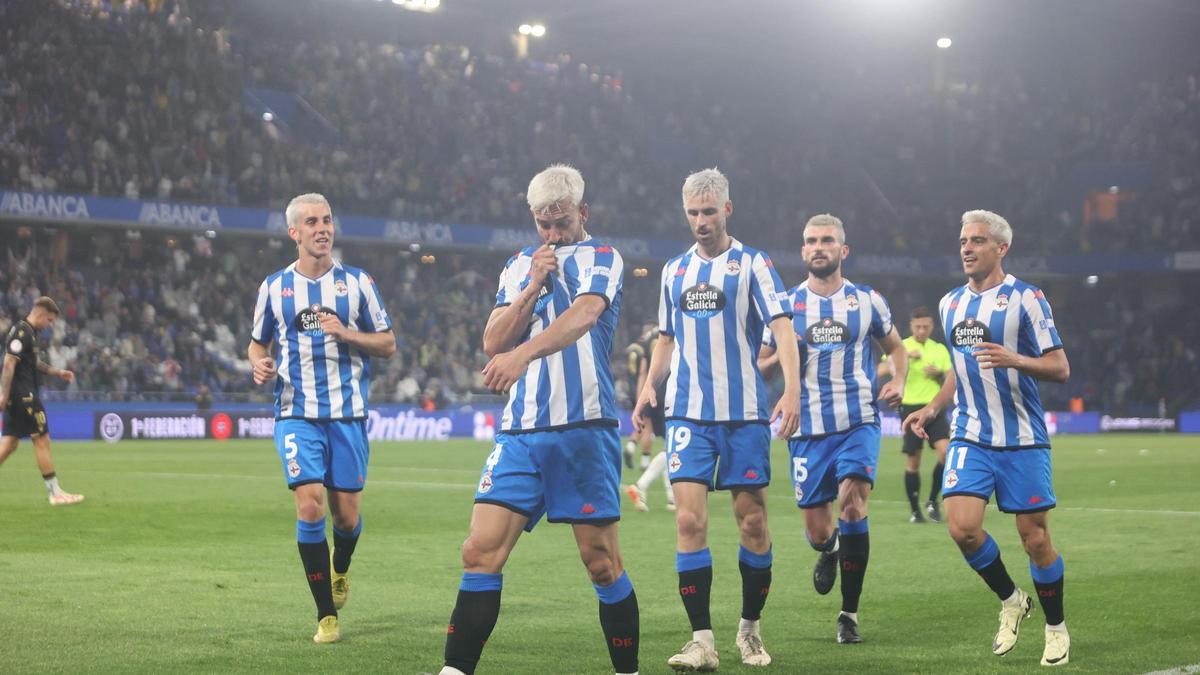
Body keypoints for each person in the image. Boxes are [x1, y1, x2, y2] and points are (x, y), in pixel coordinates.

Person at [439, 165, 639, 675]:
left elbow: (586, 314)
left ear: (582, 213)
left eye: (562, 223)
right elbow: (492, 341)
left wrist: (523, 355)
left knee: (601, 563)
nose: (552, 234)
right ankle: (455, 671)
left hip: (583, 430)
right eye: (543, 225)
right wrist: (531, 286)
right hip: (521, 433)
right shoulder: (519, 265)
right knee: (479, 550)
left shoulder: (603, 257)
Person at [634, 168, 801, 670]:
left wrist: (791, 391)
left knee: (752, 521)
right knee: (688, 519)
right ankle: (702, 641)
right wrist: (649, 384)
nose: (701, 221)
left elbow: (782, 327)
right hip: (689, 412)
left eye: (709, 212)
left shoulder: (754, 264)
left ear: (727, 209)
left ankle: (749, 628)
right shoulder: (673, 271)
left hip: (744, 413)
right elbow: (666, 337)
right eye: (693, 213)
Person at [902, 210, 1071, 667]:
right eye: (963, 241)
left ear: (1001, 248)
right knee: (962, 527)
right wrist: (933, 408)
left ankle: (1055, 628)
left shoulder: (1027, 298)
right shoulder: (950, 304)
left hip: (1021, 437)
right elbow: (960, 371)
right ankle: (1012, 599)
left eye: (977, 240)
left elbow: (1060, 367)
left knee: (1034, 538)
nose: (967, 248)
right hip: (970, 435)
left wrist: (1016, 360)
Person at [248, 193, 396, 644]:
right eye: (311, 222)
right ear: (294, 232)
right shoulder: (273, 287)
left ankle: (341, 568)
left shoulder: (358, 283)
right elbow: (258, 343)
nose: (322, 228)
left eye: (327, 220)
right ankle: (326, 616)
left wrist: (345, 332)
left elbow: (388, 343)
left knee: (346, 519)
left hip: (347, 415)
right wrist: (258, 363)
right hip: (297, 414)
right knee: (309, 502)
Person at [758, 214, 906, 645]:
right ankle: (832, 549)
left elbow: (895, 347)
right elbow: (762, 362)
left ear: (843, 250)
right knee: (818, 531)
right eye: (811, 241)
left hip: (858, 419)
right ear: (803, 252)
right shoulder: (785, 306)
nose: (818, 247)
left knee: (854, 502)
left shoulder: (868, 301)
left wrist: (897, 379)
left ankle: (849, 614)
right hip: (806, 428)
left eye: (827, 240)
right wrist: (788, 352)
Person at [0, 297, 84, 506]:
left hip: (17, 396)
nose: (50, 325)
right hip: (24, 396)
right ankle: (55, 493)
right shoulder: (22, 331)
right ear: (41, 313)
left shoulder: (31, 333)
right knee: (42, 439)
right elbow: (9, 363)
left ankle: (55, 491)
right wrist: (4, 393)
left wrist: (58, 372)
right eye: (50, 320)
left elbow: (34, 363)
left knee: (9, 443)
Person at [878, 306, 952, 523]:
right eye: (918, 326)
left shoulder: (939, 349)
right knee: (914, 460)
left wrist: (938, 373)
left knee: (946, 454)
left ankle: (931, 500)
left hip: (933, 408)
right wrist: (903, 359)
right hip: (909, 408)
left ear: (932, 327)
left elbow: (951, 377)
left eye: (926, 326)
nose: (921, 330)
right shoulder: (901, 347)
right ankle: (915, 511)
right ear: (911, 326)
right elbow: (881, 370)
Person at [624, 322, 674, 512]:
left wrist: (640, 400)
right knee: (673, 447)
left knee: (672, 446)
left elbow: (644, 372)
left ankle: (671, 497)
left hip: (652, 393)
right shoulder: (674, 332)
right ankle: (642, 486)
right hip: (669, 393)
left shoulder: (648, 340)